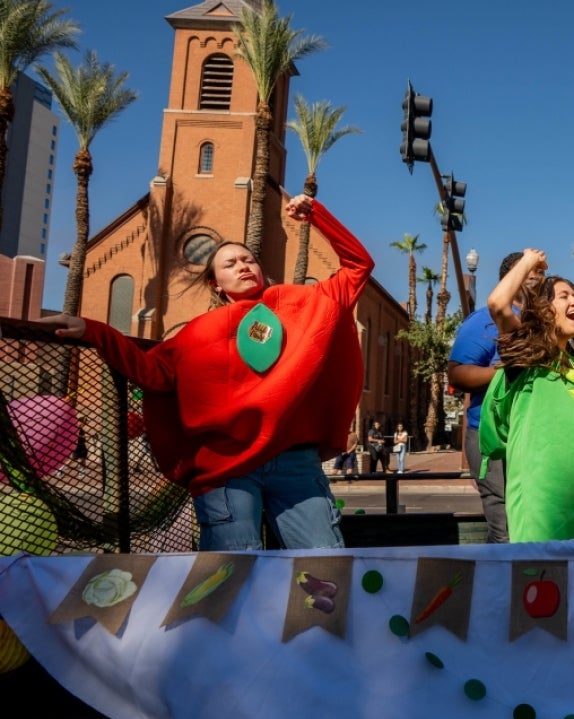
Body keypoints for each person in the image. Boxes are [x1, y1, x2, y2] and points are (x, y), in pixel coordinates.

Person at [44, 194, 371, 551]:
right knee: (232, 570)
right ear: (216, 283)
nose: (243, 266)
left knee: (323, 562)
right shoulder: (196, 332)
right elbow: (153, 372)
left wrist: (317, 216)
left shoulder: (305, 304)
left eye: (249, 259)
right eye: (230, 264)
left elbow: (358, 266)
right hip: (226, 468)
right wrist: (94, 331)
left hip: (295, 461)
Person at [478, 248, 574, 542]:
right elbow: (498, 304)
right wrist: (529, 261)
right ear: (544, 310)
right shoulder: (528, 354)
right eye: (564, 296)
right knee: (542, 582)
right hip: (542, 507)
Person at [447, 252, 532, 544]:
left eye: (540, 275)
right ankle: (499, 587)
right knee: (505, 530)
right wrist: (503, 370)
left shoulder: (540, 324)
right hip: (490, 434)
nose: (536, 281)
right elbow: (456, 375)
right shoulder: (483, 321)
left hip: (531, 435)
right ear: (512, 278)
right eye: (529, 273)